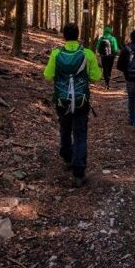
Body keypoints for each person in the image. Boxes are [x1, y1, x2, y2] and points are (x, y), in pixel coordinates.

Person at [44, 22, 102, 187]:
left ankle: (67, 156)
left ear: (63, 36)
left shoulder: (56, 54)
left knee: (64, 127)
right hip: (81, 100)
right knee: (80, 133)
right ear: (78, 35)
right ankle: (79, 172)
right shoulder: (87, 54)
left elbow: (48, 75)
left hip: (62, 99)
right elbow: (96, 77)